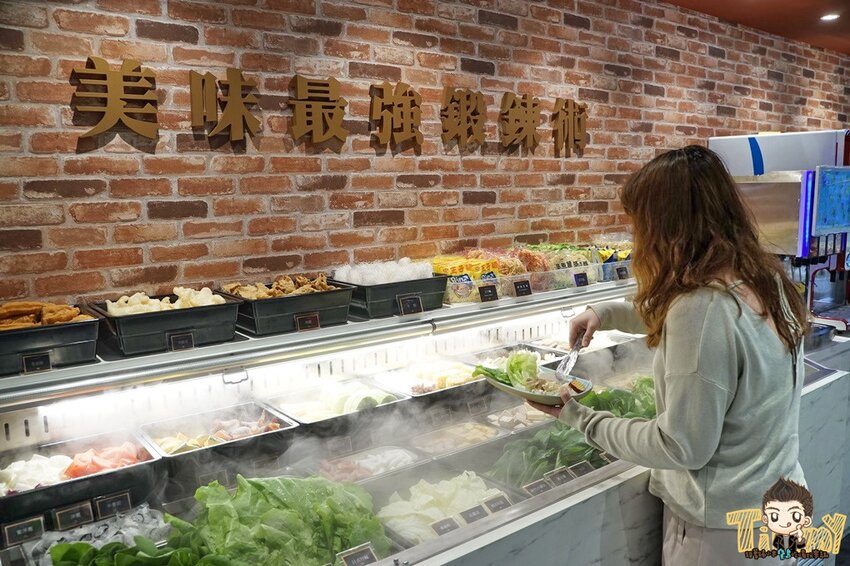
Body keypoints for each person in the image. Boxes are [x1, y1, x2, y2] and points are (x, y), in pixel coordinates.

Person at [530, 145, 809, 565]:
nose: (637, 238)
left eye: (639, 224)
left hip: (723, 534)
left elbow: (680, 446)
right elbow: (697, 322)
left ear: (666, 227)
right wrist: (605, 312)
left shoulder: (702, 309)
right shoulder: (764, 278)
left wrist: (580, 418)